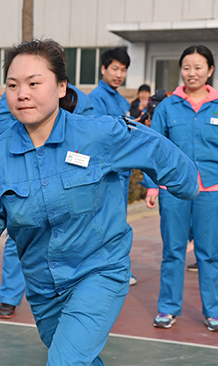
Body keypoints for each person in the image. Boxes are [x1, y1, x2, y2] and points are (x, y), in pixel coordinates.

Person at [0, 39, 199, 366]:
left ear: (61, 88)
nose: (21, 94)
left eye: (33, 83)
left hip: (98, 272)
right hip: (44, 290)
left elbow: (155, 148)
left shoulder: (98, 134)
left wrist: (187, 186)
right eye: (12, 85)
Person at [143, 44, 218, 333]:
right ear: (181, 70)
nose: (192, 73)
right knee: (174, 250)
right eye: (187, 67)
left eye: (198, 67)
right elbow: (154, 149)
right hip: (174, 190)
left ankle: (213, 312)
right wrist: (153, 187)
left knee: (209, 252)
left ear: (210, 70)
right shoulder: (167, 106)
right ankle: (167, 308)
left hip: (213, 189)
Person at [0, 82, 94, 318]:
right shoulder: (20, 95)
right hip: (26, 174)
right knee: (20, 233)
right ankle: (9, 296)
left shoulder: (80, 98)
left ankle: (72, 295)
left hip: (67, 178)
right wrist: (34, 130)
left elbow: (91, 133)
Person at [88, 48, 138, 285]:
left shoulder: (122, 100)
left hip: (122, 171)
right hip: (107, 172)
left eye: (124, 70)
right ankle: (104, 270)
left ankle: (117, 268)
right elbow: (99, 135)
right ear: (103, 69)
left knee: (119, 222)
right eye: (115, 68)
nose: (119, 74)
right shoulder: (95, 98)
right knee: (104, 221)